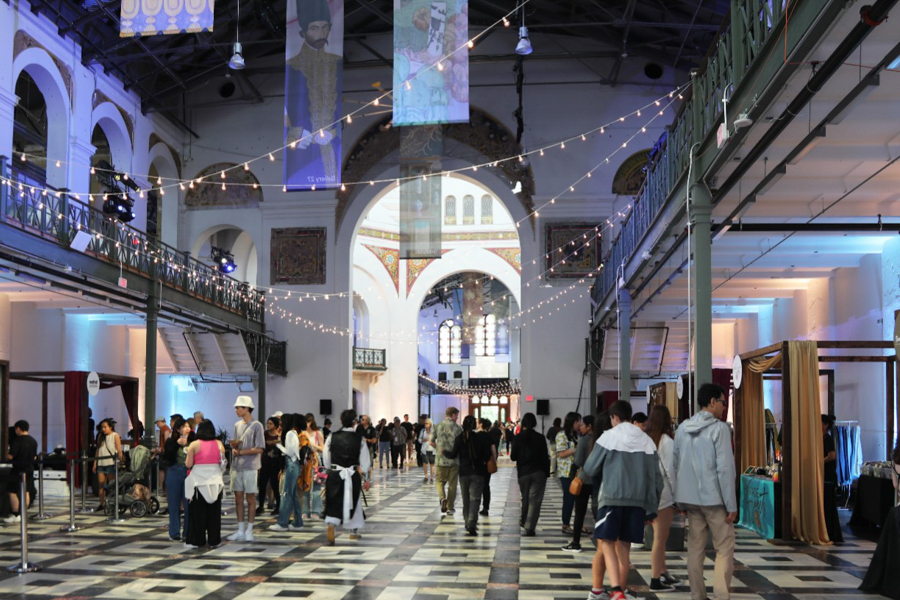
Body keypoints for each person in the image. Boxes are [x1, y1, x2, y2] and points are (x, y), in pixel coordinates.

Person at [583, 401, 662, 600]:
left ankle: (616, 589)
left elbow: (590, 468)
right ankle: (621, 591)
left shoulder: (609, 436)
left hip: (612, 498)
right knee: (624, 548)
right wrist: (651, 508)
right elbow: (656, 479)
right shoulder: (647, 441)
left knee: (607, 543)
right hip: (637, 503)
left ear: (614, 417)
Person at [673, 383, 736, 600]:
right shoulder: (719, 429)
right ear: (712, 402)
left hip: (690, 500)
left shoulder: (682, 428)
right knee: (724, 548)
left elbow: (675, 465)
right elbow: (725, 469)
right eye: (722, 402)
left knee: (695, 549)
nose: (723, 406)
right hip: (715, 500)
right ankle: (721, 595)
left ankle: (697, 595)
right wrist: (732, 504)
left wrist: (679, 501)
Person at [285, 0, 342, 187]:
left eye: (325, 28)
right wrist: (295, 133)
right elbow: (286, 113)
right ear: (303, 33)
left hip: (333, 148)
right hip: (303, 150)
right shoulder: (291, 67)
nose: (321, 34)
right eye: (314, 29)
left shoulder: (336, 63)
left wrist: (334, 132)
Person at [645, 405, 682, 592]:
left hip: (648, 493)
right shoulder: (666, 441)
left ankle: (663, 571)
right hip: (663, 495)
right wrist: (678, 496)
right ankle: (654, 579)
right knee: (660, 539)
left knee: (659, 537)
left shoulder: (646, 439)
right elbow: (670, 471)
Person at [324, 409, 372, 545]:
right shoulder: (359, 439)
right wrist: (367, 477)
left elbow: (326, 457)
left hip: (335, 473)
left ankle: (331, 525)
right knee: (354, 501)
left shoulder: (332, 436)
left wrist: (330, 468)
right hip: (351, 473)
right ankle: (353, 532)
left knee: (333, 500)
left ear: (341, 421)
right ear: (354, 422)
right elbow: (365, 460)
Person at [443, 415, 492, 536]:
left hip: (464, 473)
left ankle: (467, 521)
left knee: (466, 499)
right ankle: (471, 522)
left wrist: (444, 451)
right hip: (478, 472)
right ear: (474, 425)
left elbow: (453, 454)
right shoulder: (480, 438)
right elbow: (487, 455)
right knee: (475, 499)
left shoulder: (460, 438)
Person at [227, 395, 265, 542]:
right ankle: (240, 529)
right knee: (238, 498)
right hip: (237, 466)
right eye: (236, 407)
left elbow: (260, 448)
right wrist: (234, 447)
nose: (236, 410)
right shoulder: (237, 425)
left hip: (251, 467)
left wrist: (241, 452)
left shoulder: (257, 425)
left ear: (247, 408)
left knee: (250, 498)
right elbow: (237, 443)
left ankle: (250, 529)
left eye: (239, 407)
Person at [184, 419, 225, 549]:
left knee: (198, 514)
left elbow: (188, 464)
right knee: (214, 514)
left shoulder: (194, 444)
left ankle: (197, 540)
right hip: (216, 482)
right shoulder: (219, 444)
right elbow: (223, 462)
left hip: (199, 483)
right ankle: (214, 540)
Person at [510, 412, 549, 536]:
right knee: (535, 500)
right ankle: (530, 526)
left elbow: (513, 457)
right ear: (535, 423)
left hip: (523, 472)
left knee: (525, 498)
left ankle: (524, 519)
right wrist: (547, 473)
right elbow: (545, 457)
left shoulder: (517, 437)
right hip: (538, 472)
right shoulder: (540, 437)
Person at [562, 414, 596, 553]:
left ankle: (576, 542)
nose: (580, 427)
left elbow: (578, 461)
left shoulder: (583, 441)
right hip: (598, 480)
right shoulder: (601, 440)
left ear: (589, 426)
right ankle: (603, 540)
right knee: (597, 511)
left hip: (584, 479)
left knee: (580, 512)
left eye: (582, 425)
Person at [270, 413, 305, 531]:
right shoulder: (293, 433)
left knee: (286, 495)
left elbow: (290, 453)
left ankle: (282, 523)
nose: (279, 426)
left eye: (281, 423)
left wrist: (279, 446)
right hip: (294, 465)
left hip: (291, 465)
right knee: (293, 495)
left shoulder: (290, 434)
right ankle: (298, 522)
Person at [164, 418, 195, 540]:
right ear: (177, 429)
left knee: (188, 504)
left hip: (189, 472)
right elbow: (167, 456)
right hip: (174, 472)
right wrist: (177, 444)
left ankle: (187, 532)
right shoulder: (171, 441)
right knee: (174, 504)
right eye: (183, 427)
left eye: (188, 426)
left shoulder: (193, 441)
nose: (186, 429)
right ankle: (174, 532)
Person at [3, 420, 37, 524]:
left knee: (12, 492)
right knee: (26, 491)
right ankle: (24, 514)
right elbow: (35, 456)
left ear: (18, 429)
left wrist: (5, 455)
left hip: (18, 469)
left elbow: (11, 456)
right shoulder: (33, 440)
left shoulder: (17, 441)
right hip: (30, 469)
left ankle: (16, 514)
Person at [433, 407, 462, 514]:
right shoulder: (458, 428)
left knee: (439, 481)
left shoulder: (438, 426)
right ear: (453, 415)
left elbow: (431, 442)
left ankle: (442, 498)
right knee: (452, 484)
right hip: (454, 461)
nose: (457, 418)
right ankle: (450, 507)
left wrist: (439, 448)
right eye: (457, 416)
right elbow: (461, 444)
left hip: (440, 460)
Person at [556, 411, 581, 533]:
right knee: (569, 498)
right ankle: (565, 524)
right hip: (566, 472)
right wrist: (576, 449)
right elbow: (561, 454)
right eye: (578, 421)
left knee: (577, 499)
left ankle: (577, 524)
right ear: (573, 422)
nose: (580, 424)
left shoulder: (576, 435)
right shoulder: (561, 435)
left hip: (577, 471)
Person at [822, 414, 843, 543]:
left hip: (829, 475)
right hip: (825, 473)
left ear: (826, 425)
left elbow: (832, 455)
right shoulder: (822, 438)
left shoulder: (828, 439)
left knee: (829, 503)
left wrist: (820, 461)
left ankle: (831, 531)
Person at [94, 418, 124, 512]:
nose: (103, 429)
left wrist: (119, 460)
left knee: (111, 485)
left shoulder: (115, 435)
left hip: (111, 463)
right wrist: (95, 463)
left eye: (105, 427)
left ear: (110, 427)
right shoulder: (100, 436)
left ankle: (113, 503)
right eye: (102, 427)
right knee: (101, 485)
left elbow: (119, 449)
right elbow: (98, 450)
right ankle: (101, 503)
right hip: (101, 464)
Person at [257, 416, 283, 516]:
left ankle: (278, 506)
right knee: (262, 485)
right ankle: (260, 505)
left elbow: (281, 452)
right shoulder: (265, 434)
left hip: (275, 463)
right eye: (268, 423)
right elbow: (261, 449)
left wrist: (281, 468)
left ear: (276, 425)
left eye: (271, 423)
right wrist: (259, 464)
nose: (268, 425)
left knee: (275, 485)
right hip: (265, 462)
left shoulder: (279, 436)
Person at [303, 415, 326, 518]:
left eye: (308, 422)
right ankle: (305, 510)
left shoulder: (318, 433)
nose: (307, 424)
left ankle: (316, 511)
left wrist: (313, 445)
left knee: (316, 488)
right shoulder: (302, 433)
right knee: (305, 486)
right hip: (304, 462)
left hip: (315, 462)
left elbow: (323, 448)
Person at [479, 417, 498, 516]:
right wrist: (494, 461)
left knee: (477, 486)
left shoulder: (476, 436)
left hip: (477, 464)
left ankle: (475, 505)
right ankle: (485, 507)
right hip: (487, 464)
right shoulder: (490, 437)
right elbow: (494, 451)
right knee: (486, 486)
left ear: (481, 425)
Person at [419, 418, 436, 483]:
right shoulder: (423, 431)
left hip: (432, 449)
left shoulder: (434, 431)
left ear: (430, 424)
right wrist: (423, 440)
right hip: (424, 449)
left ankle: (431, 477)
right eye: (425, 423)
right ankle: (426, 476)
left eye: (427, 423)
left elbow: (436, 439)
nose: (425, 424)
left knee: (432, 464)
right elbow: (419, 439)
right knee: (425, 463)